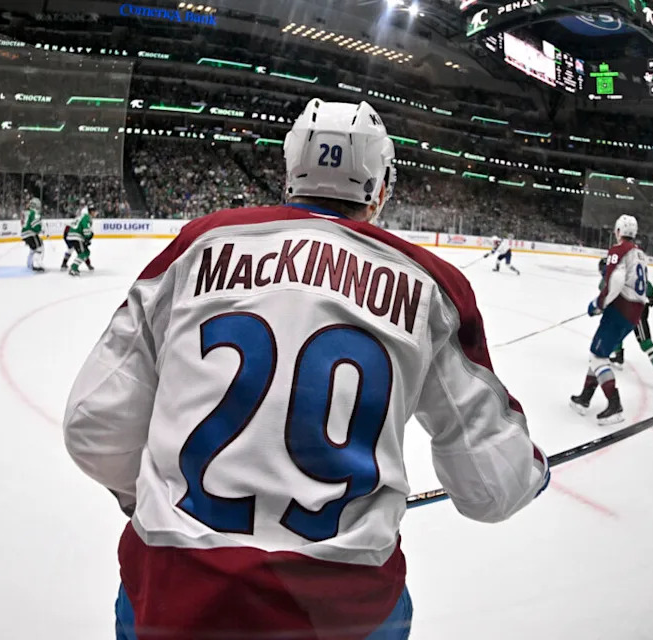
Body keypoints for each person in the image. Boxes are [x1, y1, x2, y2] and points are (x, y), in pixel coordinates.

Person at [63, 98, 549, 640]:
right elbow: (493, 487)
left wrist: (152, 499)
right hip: (344, 612)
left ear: (291, 171)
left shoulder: (197, 246)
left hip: (171, 596)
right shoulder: (433, 287)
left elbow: (93, 424)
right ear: (381, 187)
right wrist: (533, 472)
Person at [570, 215, 648, 425]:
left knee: (597, 357)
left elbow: (616, 280)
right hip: (634, 313)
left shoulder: (618, 251)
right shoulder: (640, 254)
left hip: (620, 310)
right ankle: (585, 398)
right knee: (599, 354)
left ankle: (614, 405)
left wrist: (598, 304)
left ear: (618, 231)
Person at [601, 258, 653, 392]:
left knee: (645, 343)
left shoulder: (612, 279)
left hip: (636, 313)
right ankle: (618, 357)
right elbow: (650, 291)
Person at [61, 203, 95, 275]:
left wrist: (86, 239)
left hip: (71, 236)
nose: (94, 212)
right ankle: (73, 268)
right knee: (82, 253)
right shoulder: (86, 217)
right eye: (92, 210)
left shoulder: (79, 217)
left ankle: (68, 265)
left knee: (85, 252)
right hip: (76, 237)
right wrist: (88, 237)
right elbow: (86, 231)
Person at [21, 197, 45, 272]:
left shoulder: (27, 212)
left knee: (33, 248)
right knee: (39, 248)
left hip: (25, 233)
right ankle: (36, 265)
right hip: (30, 233)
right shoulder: (34, 213)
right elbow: (35, 226)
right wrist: (40, 229)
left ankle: (29, 263)